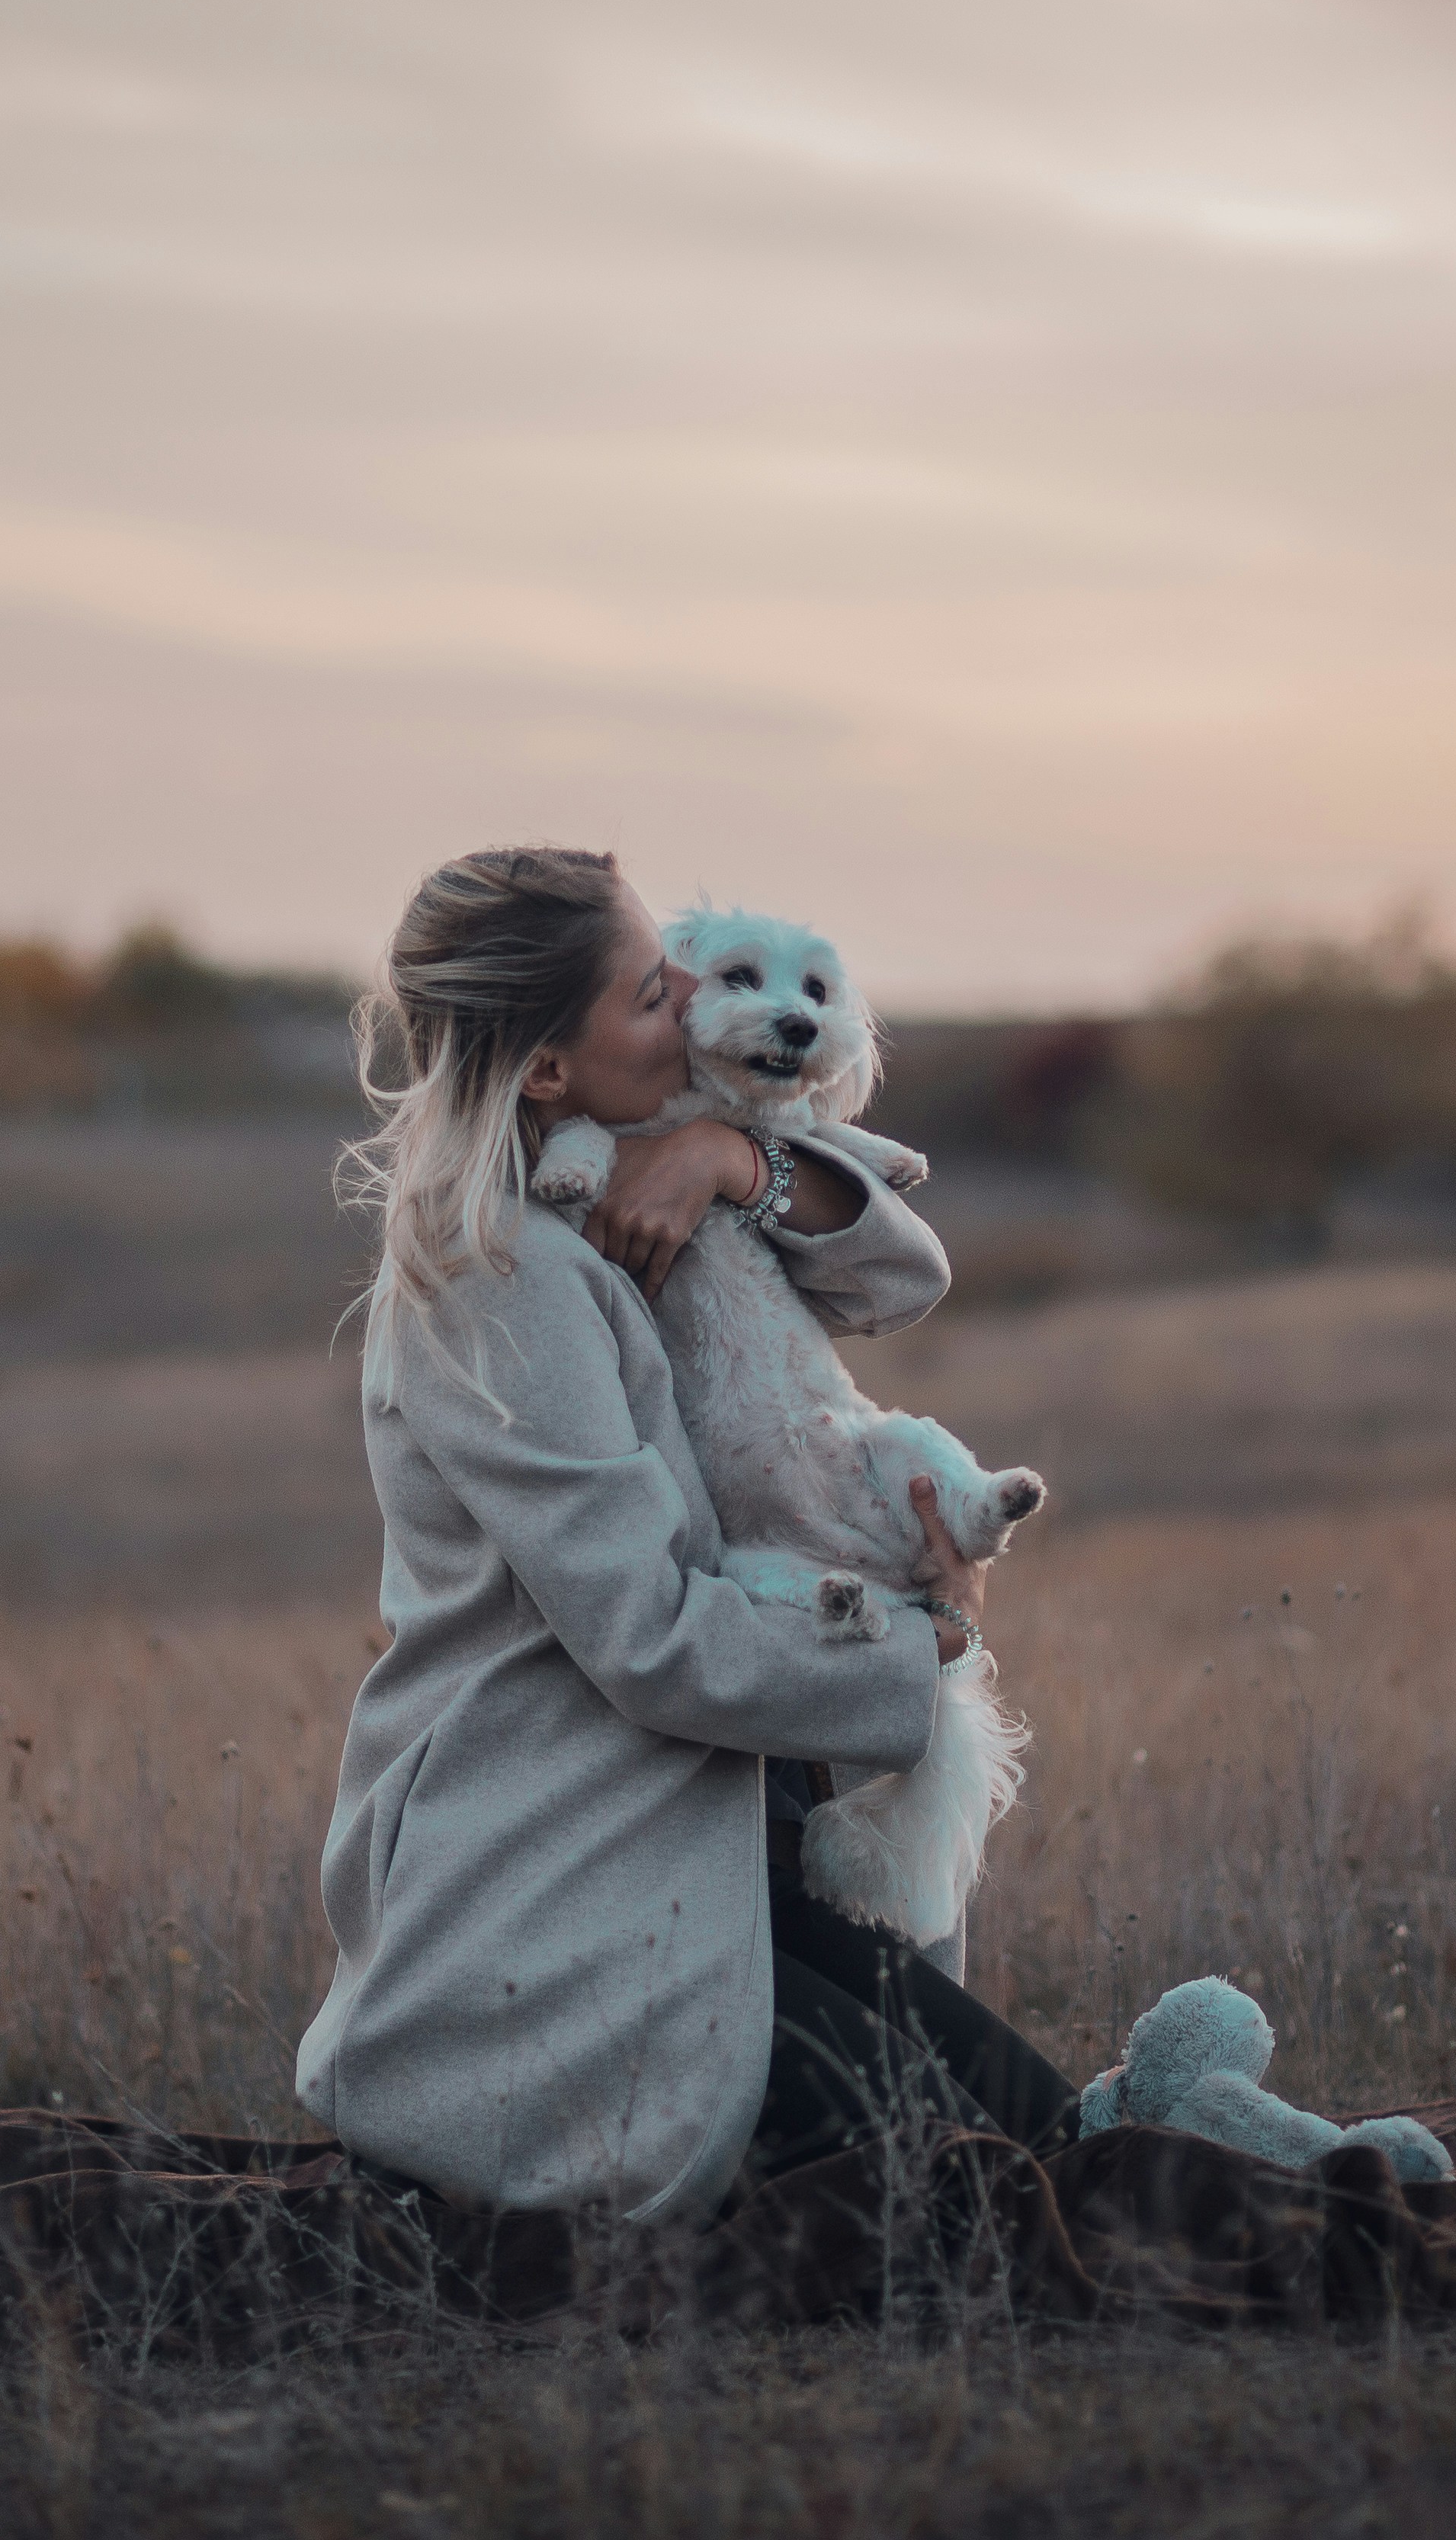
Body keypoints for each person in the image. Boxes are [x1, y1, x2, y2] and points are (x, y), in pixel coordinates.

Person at [294, 845, 1079, 2223]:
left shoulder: (640, 1192)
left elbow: (901, 1271)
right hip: (562, 1891)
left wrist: (728, 1155)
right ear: (547, 1073)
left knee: (1047, 2138)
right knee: (980, 2199)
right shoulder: (501, 1280)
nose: (698, 1008)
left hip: (718, 1841)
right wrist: (930, 1639)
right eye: (656, 997)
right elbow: (649, 1638)